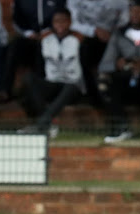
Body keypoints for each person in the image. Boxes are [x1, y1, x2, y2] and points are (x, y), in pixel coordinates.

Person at [98, 0, 140, 143]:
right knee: (103, 80)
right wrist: (117, 64)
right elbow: (104, 65)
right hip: (125, 81)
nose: (135, 15)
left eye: (139, 11)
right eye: (132, 11)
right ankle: (122, 127)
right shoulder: (119, 33)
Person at [17, 7, 83, 137]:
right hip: (52, 84)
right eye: (56, 21)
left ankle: (41, 124)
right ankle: (48, 123)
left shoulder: (78, 40)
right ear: (52, 23)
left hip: (72, 87)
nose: (60, 24)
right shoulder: (46, 41)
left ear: (69, 22)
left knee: (70, 87)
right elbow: (40, 66)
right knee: (29, 78)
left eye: (63, 21)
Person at [0, 0, 68, 103]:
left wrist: (50, 31)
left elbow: (64, 16)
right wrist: (28, 33)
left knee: (42, 48)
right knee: (14, 46)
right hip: (29, 37)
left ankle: (40, 91)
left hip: (53, 37)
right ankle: (5, 90)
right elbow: (17, 21)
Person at [69, 0, 130, 105]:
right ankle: (90, 95)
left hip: (114, 36)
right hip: (86, 37)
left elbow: (126, 18)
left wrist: (115, 32)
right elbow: (72, 22)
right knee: (83, 49)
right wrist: (94, 31)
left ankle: (120, 98)